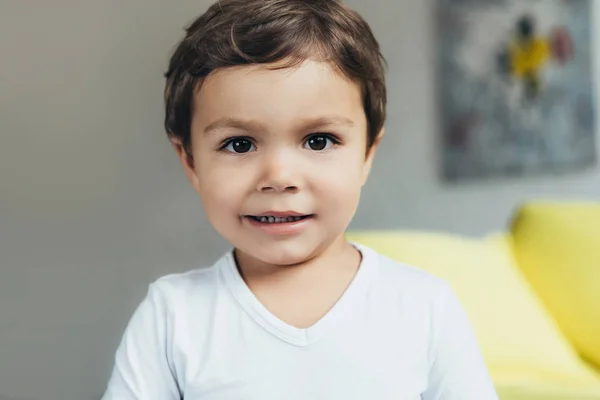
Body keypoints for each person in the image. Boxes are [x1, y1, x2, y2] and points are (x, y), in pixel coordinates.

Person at [102, 0, 498, 398]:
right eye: (239, 144)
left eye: (318, 140)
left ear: (366, 155)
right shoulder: (172, 317)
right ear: (190, 162)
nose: (279, 178)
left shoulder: (423, 307)